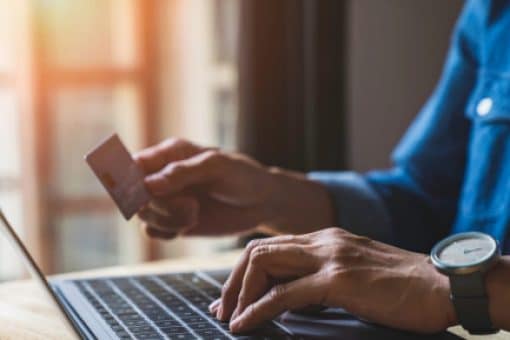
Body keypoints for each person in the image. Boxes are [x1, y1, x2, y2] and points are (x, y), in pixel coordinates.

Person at [134, 0, 510, 334]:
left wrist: (453, 288)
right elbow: (425, 199)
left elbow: (427, 276)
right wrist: (272, 198)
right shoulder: (493, 11)